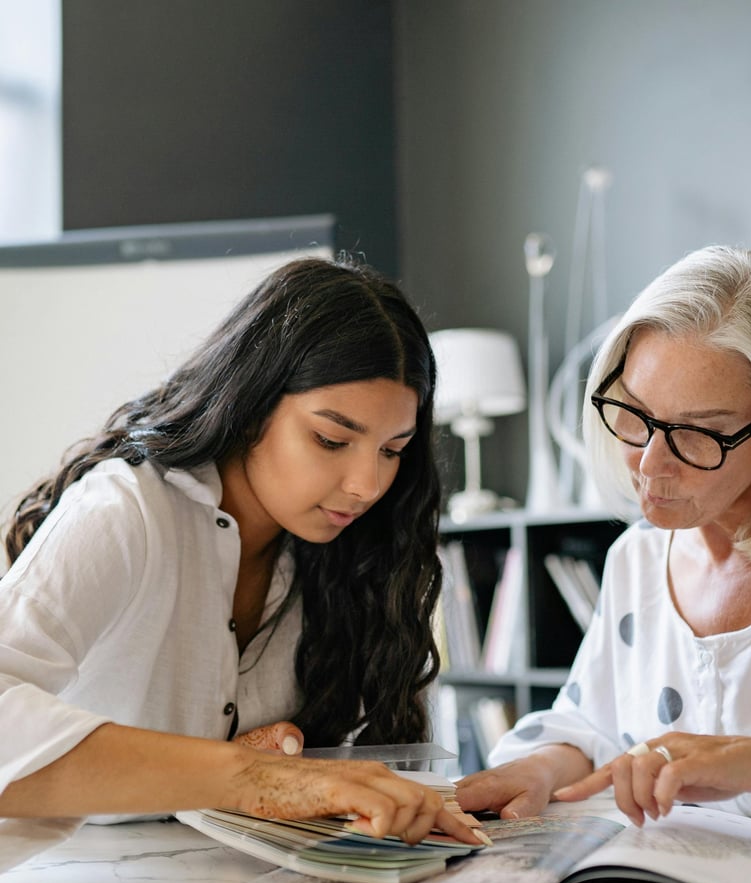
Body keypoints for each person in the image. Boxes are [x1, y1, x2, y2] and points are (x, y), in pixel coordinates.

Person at [0, 255, 481, 852]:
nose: (367, 485)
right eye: (332, 439)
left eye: (392, 450)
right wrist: (249, 777)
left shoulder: (350, 554)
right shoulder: (127, 510)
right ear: (252, 405)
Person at [457, 244, 751, 827]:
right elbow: (590, 729)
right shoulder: (639, 561)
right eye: (636, 415)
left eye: (699, 433)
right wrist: (540, 769)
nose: (649, 465)